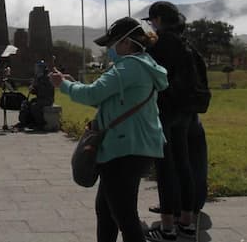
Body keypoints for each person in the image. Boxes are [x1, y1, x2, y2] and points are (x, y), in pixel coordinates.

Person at [49, 17, 167, 242]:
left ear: (126, 42)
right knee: (106, 211)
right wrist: (74, 84)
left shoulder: (128, 67)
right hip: (134, 146)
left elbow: (93, 94)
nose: (109, 49)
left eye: (111, 43)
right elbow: (107, 100)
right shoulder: (144, 64)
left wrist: (63, 85)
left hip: (124, 148)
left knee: (124, 216)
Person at [143, 1, 198, 240]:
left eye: (151, 20)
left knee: (165, 167)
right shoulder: (186, 44)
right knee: (184, 164)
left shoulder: (161, 44)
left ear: (158, 20)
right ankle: (187, 221)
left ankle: (167, 227)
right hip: (185, 111)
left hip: (165, 109)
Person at [15, 60, 55, 130]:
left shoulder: (47, 78)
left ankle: (41, 124)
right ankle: (25, 122)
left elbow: (45, 91)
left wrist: (36, 87)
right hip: (40, 98)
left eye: (38, 68)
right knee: (26, 104)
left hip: (48, 99)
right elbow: (37, 91)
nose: (36, 69)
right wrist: (32, 89)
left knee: (35, 106)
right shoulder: (38, 78)